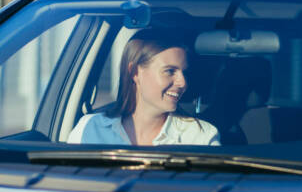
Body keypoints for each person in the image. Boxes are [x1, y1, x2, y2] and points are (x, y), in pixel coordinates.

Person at [68, 29, 220, 146]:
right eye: (170, 71)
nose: (183, 83)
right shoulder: (89, 128)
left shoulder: (199, 137)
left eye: (184, 72)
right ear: (134, 72)